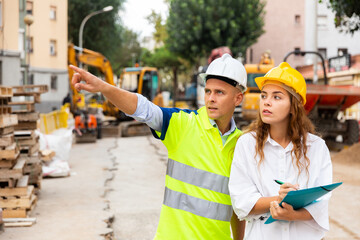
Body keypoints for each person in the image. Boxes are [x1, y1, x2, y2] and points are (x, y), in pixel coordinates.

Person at [70, 53, 247, 240]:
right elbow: (144, 110)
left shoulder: (242, 144)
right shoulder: (183, 125)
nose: (210, 98)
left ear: (238, 98)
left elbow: (238, 205)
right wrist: (104, 87)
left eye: (219, 92)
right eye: (208, 91)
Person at [229, 62, 333, 240]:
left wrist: (293, 215)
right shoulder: (247, 144)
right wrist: (278, 199)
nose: (266, 102)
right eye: (264, 95)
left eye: (277, 97)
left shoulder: (316, 147)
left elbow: (321, 205)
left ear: (294, 106)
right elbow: (241, 202)